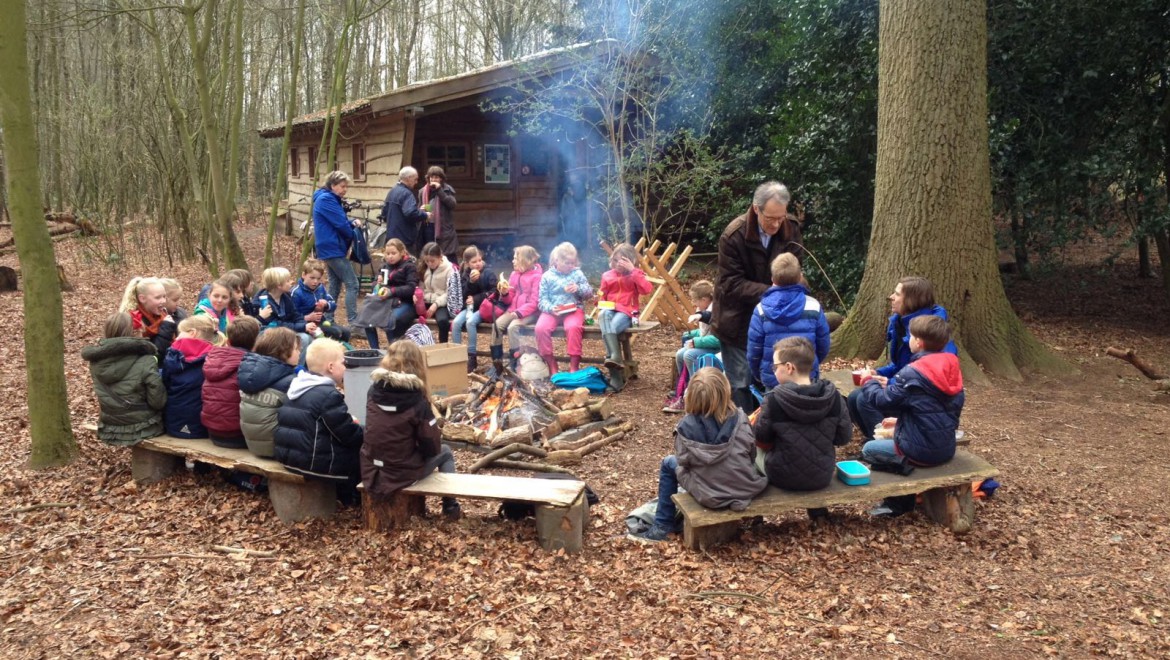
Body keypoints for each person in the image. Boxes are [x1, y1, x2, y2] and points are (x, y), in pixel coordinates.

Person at [628, 368, 768, 543]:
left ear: (691, 396)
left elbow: (684, 462)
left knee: (668, 463)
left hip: (709, 495)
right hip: (745, 487)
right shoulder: (741, 418)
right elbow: (751, 453)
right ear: (725, 391)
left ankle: (662, 526)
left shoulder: (685, 427)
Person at [712, 181, 804, 412]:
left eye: (780, 218)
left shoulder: (790, 227)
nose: (775, 224)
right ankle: (743, 431)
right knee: (740, 383)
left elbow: (795, 267)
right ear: (756, 209)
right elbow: (730, 283)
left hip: (775, 321)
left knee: (773, 379)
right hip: (736, 321)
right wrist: (772, 292)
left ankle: (769, 431)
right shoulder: (733, 235)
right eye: (770, 218)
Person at [859, 315, 965, 516]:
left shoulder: (913, 372)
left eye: (910, 336)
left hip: (921, 452)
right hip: (946, 446)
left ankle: (898, 503)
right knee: (885, 444)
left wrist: (868, 382)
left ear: (918, 342)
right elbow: (932, 410)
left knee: (869, 450)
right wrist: (900, 422)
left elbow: (882, 401)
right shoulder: (952, 368)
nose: (908, 340)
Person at [847, 276, 959, 440]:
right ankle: (874, 441)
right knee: (853, 397)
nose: (891, 297)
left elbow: (934, 383)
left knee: (864, 399)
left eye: (897, 294)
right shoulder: (900, 323)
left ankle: (892, 445)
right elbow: (899, 365)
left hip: (921, 404)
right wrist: (877, 371)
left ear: (911, 300)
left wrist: (891, 383)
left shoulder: (932, 334)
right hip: (905, 390)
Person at [361, 340, 462, 520]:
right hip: (400, 473)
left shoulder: (373, 390)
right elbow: (431, 447)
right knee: (445, 452)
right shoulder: (416, 400)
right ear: (416, 364)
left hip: (372, 470)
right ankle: (450, 507)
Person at [753, 337, 851, 520]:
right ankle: (818, 513)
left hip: (782, 476)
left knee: (750, 450)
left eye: (775, 367)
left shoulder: (774, 400)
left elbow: (762, 438)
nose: (773, 371)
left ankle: (756, 515)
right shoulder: (834, 397)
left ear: (789, 367)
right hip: (823, 474)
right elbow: (843, 438)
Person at [274, 338, 364, 489]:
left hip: (289, 458)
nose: (345, 367)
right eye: (343, 363)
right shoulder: (327, 395)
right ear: (330, 367)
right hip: (313, 464)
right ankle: (351, 495)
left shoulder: (297, 386)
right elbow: (348, 435)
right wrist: (363, 429)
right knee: (361, 451)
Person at [81, 312, 167, 446]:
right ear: (134, 332)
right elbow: (157, 402)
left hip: (110, 426)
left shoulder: (96, 360)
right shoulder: (146, 359)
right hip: (144, 427)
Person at [747, 253, 831, 389]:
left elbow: (754, 350)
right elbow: (824, 344)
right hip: (806, 376)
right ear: (799, 277)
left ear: (772, 279)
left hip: (774, 378)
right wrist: (811, 365)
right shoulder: (813, 306)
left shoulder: (760, 309)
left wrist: (761, 374)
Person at [238, 328, 300, 458]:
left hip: (253, 446)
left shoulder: (248, 371)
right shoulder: (290, 381)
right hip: (278, 448)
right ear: (283, 351)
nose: (299, 353)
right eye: (296, 349)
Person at [200, 316, 261, 449]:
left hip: (213, 431)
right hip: (238, 435)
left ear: (227, 341)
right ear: (256, 343)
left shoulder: (212, 359)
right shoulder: (252, 364)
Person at [664, 280, 721, 413]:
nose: (694, 304)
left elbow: (718, 339)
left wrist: (696, 342)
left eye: (695, 300)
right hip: (708, 344)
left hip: (719, 349)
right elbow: (704, 332)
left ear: (705, 299)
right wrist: (691, 334)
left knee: (689, 355)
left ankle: (696, 394)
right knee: (680, 354)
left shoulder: (716, 311)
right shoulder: (703, 310)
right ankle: (683, 389)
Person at [313, 170, 362, 325]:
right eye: (342, 186)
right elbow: (340, 224)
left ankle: (327, 319)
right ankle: (354, 323)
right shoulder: (327, 200)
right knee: (352, 284)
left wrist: (351, 221)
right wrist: (351, 233)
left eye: (346, 186)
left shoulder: (328, 198)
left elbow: (339, 220)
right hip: (332, 247)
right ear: (333, 185)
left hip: (330, 246)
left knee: (335, 284)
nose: (345, 190)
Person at [536, 242, 593, 374]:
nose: (571, 266)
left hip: (574, 309)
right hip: (553, 310)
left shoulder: (577, 273)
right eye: (567, 263)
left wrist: (578, 289)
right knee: (540, 328)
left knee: (572, 327)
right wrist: (551, 308)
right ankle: (551, 364)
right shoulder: (547, 276)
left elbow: (589, 292)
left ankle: (574, 365)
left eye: (573, 263)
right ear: (557, 260)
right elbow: (542, 300)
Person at [161, 315, 221, 439]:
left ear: (192, 333)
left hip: (174, 424)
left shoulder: (173, 355)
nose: (177, 337)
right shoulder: (215, 357)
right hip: (202, 427)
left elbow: (165, 382)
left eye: (180, 333)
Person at [353, 238, 419, 349]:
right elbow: (375, 286)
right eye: (388, 253)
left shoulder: (409, 266)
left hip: (404, 302)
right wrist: (376, 284)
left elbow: (411, 288)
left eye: (393, 253)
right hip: (385, 301)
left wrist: (392, 291)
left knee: (390, 322)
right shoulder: (384, 266)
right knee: (366, 317)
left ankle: (393, 350)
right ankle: (375, 350)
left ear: (402, 252)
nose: (390, 256)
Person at [597, 243, 652, 370]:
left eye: (622, 261)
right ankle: (616, 358)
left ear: (631, 261)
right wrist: (598, 299)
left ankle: (615, 371)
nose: (618, 264)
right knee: (603, 314)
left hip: (627, 312)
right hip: (609, 310)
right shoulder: (607, 275)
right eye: (615, 260)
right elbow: (602, 294)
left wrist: (633, 270)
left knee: (609, 330)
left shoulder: (636, 274)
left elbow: (646, 290)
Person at [485, 245, 543, 366]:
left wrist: (519, 313)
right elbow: (509, 298)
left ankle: (515, 362)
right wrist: (505, 294)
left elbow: (535, 302)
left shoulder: (537, 277)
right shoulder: (514, 274)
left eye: (516, 258)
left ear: (527, 261)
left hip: (530, 313)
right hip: (513, 310)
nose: (513, 261)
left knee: (512, 328)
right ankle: (497, 363)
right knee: (497, 325)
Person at [448, 246, 496, 372]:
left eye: (479, 260)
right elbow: (462, 295)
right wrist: (471, 282)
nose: (478, 264)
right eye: (474, 262)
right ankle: (457, 355)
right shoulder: (465, 274)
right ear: (467, 263)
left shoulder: (489, 273)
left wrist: (476, 298)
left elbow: (494, 292)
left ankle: (472, 356)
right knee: (456, 323)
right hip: (470, 307)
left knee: (470, 322)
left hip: (484, 307)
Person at [255, 267, 317, 361]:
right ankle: (295, 369)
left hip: (286, 330)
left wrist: (306, 325)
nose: (291, 282)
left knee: (311, 338)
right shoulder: (264, 302)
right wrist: (302, 327)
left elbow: (295, 314)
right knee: (302, 339)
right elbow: (276, 324)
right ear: (279, 285)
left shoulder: (285, 297)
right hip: (270, 334)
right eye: (288, 281)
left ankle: (306, 368)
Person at [292, 259, 353, 343]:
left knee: (346, 332)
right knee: (335, 333)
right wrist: (307, 317)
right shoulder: (296, 293)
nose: (315, 281)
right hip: (306, 325)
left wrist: (326, 304)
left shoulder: (320, 288)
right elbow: (291, 316)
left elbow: (333, 304)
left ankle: (342, 353)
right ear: (304, 275)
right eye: (312, 278)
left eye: (318, 278)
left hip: (321, 322)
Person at [120, 276, 175, 360]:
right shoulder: (133, 321)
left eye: (164, 296)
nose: (163, 301)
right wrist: (166, 330)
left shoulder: (162, 315)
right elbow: (149, 356)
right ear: (142, 298)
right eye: (158, 297)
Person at [383, 166, 430, 254]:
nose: (416, 182)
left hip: (391, 237)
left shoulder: (392, 191)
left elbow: (384, 213)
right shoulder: (407, 194)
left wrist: (418, 210)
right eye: (415, 179)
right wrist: (425, 215)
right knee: (407, 264)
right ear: (409, 178)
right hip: (405, 239)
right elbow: (410, 213)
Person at [418, 166, 459, 260]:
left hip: (443, 228)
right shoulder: (423, 191)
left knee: (448, 255)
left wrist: (439, 191)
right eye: (431, 177)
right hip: (428, 226)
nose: (433, 179)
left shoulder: (447, 189)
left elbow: (452, 205)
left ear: (441, 178)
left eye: (436, 177)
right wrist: (420, 209)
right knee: (430, 252)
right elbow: (420, 208)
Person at [418, 242, 455, 343]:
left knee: (442, 321)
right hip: (426, 300)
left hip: (441, 302)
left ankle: (443, 346)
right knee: (405, 317)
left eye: (432, 261)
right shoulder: (424, 268)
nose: (429, 264)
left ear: (440, 257)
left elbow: (450, 292)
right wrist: (417, 296)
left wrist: (436, 304)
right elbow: (420, 287)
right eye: (427, 261)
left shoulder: (450, 269)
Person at [557, 172, 588, 249]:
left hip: (574, 220)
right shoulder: (567, 197)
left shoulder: (574, 197)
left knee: (576, 234)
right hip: (568, 220)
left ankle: (577, 247)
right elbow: (565, 210)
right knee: (569, 235)